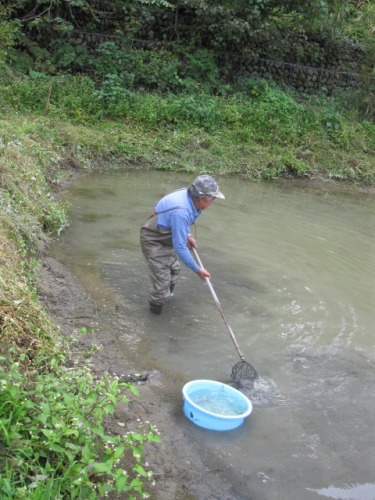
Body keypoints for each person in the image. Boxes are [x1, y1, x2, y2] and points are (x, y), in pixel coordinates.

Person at [140, 174, 225, 314]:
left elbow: (177, 224)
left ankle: (166, 299)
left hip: (166, 234)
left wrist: (187, 235)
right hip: (153, 240)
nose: (213, 202)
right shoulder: (181, 211)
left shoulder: (191, 199)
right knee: (162, 284)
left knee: (174, 269)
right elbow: (180, 247)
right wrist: (198, 270)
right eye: (213, 199)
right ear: (203, 199)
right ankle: (156, 312)